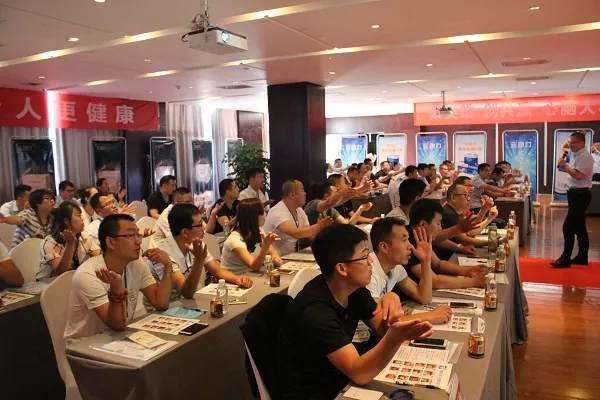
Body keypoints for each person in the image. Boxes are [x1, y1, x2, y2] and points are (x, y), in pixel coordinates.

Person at [276, 224, 433, 400]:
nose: (371, 260)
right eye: (364, 256)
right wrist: (395, 336)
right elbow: (359, 374)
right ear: (342, 269)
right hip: (316, 392)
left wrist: (391, 298)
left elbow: (381, 328)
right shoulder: (316, 311)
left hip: (340, 379)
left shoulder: (352, 289)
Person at [64, 214, 174, 341]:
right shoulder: (88, 274)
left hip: (119, 338)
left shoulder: (136, 264)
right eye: (131, 235)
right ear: (110, 242)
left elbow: (161, 303)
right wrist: (116, 289)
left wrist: (167, 266)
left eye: (138, 235)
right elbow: (116, 324)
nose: (139, 241)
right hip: (86, 344)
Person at [150, 204, 252, 299]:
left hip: (191, 302)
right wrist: (199, 260)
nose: (204, 228)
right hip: (170, 307)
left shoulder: (195, 243)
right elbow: (186, 292)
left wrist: (238, 279)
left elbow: (217, 271)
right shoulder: (163, 255)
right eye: (199, 225)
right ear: (185, 232)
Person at [398, 199, 487, 296]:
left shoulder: (419, 236)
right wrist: (473, 282)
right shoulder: (410, 243)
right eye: (438, 223)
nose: (440, 228)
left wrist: (467, 271)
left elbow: (438, 264)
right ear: (423, 224)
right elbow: (434, 281)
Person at [551, 131, 595, 268]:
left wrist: (565, 165)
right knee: (580, 227)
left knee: (568, 227)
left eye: (572, 143)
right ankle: (582, 257)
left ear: (581, 143)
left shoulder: (586, 157)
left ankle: (565, 258)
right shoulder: (576, 153)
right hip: (574, 194)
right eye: (569, 142)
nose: (569, 145)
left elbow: (578, 176)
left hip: (580, 195)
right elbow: (564, 146)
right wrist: (572, 141)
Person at [263, 180, 333, 256]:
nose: (305, 193)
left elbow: (309, 235)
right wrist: (318, 227)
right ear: (292, 195)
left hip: (289, 256)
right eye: (302, 190)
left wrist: (320, 230)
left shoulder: (299, 210)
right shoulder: (277, 211)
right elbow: (295, 233)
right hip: (270, 258)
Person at [37, 202, 101, 280]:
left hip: (72, 281)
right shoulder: (50, 242)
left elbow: (99, 258)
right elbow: (60, 271)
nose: (82, 219)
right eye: (78, 215)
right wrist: (70, 245)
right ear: (66, 221)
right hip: (47, 283)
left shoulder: (85, 237)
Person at [221, 198, 283, 275]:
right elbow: (254, 266)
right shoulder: (234, 239)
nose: (265, 214)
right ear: (254, 216)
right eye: (262, 212)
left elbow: (272, 251)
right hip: (236, 279)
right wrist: (266, 246)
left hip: (252, 276)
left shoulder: (258, 230)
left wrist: (275, 259)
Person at [441, 184, 503, 249]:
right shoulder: (449, 214)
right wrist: (492, 242)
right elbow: (464, 240)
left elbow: (470, 231)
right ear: (453, 197)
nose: (469, 199)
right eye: (465, 195)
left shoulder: (454, 212)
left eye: (469, 195)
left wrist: (490, 218)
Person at [304, 183, 370, 226]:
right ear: (326, 196)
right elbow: (329, 202)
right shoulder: (314, 203)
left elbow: (347, 225)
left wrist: (360, 209)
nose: (338, 193)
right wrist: (341, 193)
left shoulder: (331, 210)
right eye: (336, 192)